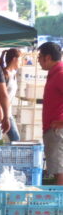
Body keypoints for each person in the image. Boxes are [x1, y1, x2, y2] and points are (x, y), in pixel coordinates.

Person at [38, 41, 63, 184]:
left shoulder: (60, 73)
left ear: (47, 57)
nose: (39, 61)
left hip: (57, 130)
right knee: (56, 168)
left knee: (59, 169)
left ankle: (60, 205)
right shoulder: (55, 73)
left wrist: (60, 122)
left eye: (40, 57)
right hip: (52, 130)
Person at [0, 48, 21, 142]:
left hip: (8, 112)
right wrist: (1, 115)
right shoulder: (5, 75)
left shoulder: (13, 74)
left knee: (15, 138)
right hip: (1, 113)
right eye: (20, 59)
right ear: (14, 59)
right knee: (14, 138)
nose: (21, 62)